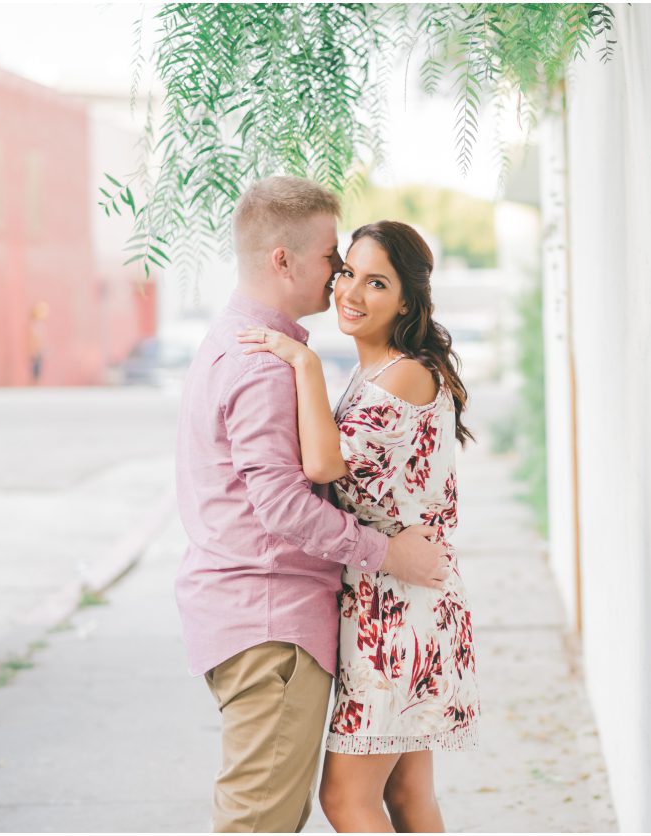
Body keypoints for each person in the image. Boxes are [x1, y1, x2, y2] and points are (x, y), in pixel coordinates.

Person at [174, 177, 450, 833]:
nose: (338, 277)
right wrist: (390, 554)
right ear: (283, 259)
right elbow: (284, 508)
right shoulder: (263, 364)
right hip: (270, 625)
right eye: (333, 257)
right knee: (259, 822)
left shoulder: (237, 342)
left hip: (257, 617)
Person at [237, 219, 480, 833]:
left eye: (377, 282)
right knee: (407, 797)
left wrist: (301, 360)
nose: (350, 291)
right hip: (401, 602)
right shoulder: (379, 371)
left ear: (407, 300)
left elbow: (323, 463)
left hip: (397, 614)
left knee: (347, 799)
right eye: (347, 272)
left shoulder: (401, 374)